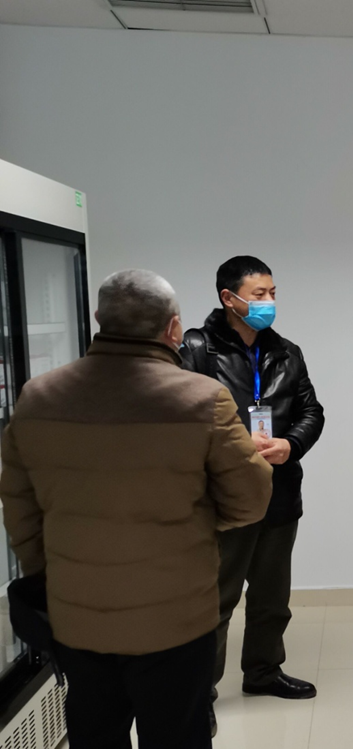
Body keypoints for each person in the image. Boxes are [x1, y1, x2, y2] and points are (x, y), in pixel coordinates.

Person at [0, 270, 272, 749]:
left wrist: (56, 573)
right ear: (172, 328)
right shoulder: (202, 400)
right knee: (177, 735)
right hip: (176, 617)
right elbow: (250, 501)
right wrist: (195, 525)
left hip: (78, 616)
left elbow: (20, 509)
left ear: (99, 318)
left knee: (95, 733)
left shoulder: (37, 397)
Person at [182, 256, 325, 735]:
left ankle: (263, 672)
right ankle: (199, 694)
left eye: (273, 293)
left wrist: (291, 444)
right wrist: (233, 445)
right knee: (216, 602)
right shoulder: (196, 350)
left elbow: (312, 411)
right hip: (223, 498)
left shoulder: (286, 352)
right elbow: (179, 419)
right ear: (229, 298)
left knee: (272, 596)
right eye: (258, 294)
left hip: (279, 492)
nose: (269, 302)